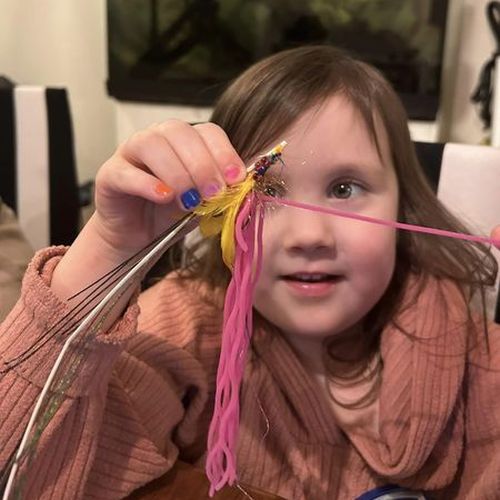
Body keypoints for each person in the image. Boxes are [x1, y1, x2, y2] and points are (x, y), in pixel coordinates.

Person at [1, 45, 500, 499]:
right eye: (269, 191)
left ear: (403, 207)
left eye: (345, 188)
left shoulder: (476, 360)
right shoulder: (182, 329)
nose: (310, 235)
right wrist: (108, 249)